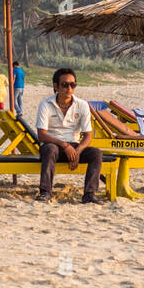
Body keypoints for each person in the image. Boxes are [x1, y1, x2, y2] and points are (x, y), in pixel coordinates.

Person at [34, 68, 104, 203]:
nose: (69, 88)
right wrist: (64, 145)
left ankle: (89, 194)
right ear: (55, 86)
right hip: (53, 144)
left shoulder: (82, 105)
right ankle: (45, 192)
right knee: (50, 149)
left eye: (73, 85)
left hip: (74, 146)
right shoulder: (45, 104)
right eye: (65, 85)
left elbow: (88, 135)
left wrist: (77, 151)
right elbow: (42, 135)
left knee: (96, 153)